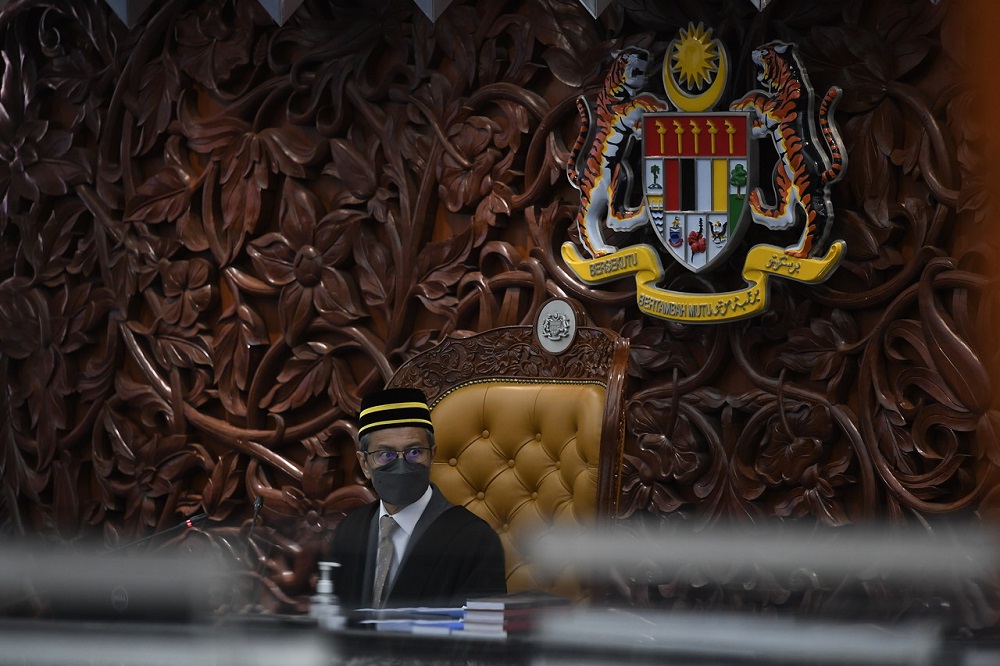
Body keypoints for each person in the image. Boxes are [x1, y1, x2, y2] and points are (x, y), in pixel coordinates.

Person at [327, 387, 507, 609]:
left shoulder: (474, 540)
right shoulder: (349, 531)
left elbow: (480, 638)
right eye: (386, 455)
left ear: (432, 455)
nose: (401, 465)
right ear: (364, 464)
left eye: (414, 452)